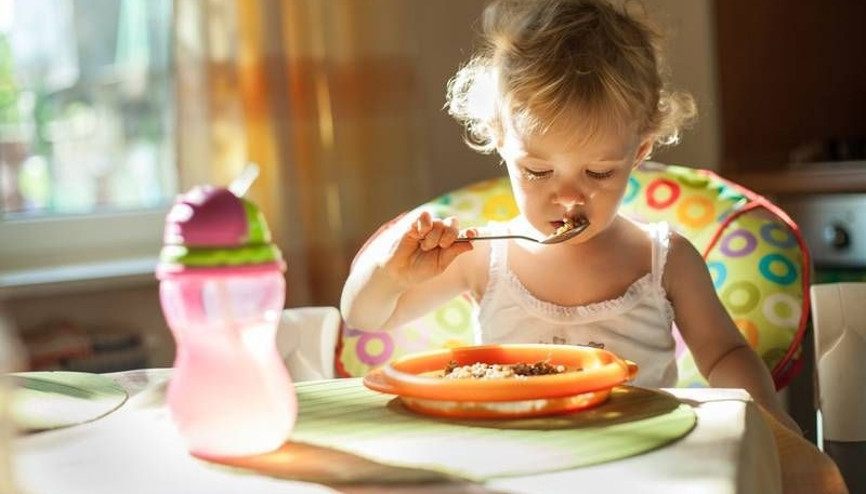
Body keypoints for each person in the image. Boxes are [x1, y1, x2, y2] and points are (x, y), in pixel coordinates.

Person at [341, 2, 846, 490]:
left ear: (640, 149)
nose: (567, 196)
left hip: (642, 459)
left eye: (599, 172)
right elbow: (365, 317)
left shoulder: (662, 258)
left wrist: (769, 424)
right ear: (499, 140)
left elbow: (725, 353)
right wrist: (389, 273)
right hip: (513, 464)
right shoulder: (483, 255)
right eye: (538, 171)